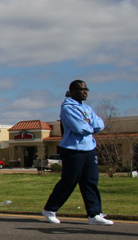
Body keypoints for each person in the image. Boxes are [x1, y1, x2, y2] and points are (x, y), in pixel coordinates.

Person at [42, 80, 113, 226]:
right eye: (82, 89)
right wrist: (89, 124)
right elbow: (79, 128)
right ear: (73, 91)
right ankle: (50, 209)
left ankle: (94, 214)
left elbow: (100, 124)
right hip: (73, 150)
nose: (85, 92)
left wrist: (89, 122)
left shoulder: (86, 108)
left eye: (86, 89)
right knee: (69, 181)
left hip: (89, 149)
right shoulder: (67, 108)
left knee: (90, 181)